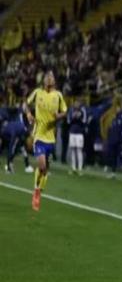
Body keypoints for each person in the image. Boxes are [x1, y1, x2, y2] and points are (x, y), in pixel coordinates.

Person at [24, 71, 67, 212]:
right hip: (39, 136)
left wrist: (58, 116)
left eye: (51, 77)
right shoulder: (37, 93)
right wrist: (28, 114)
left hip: (51, 139)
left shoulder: (58, 95)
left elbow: (65, 111)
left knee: (46, 169)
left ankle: (39, 189)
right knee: (42, 165)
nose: (49, 79)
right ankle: (36, 191)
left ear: (54, 81)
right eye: (47, 77)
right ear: (43, 81)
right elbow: (25, 104)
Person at [1, 108, 33, 174]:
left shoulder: (21, 126)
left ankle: (11, 165)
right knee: (12, 149)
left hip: (14, 132)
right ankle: (9, 167)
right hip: (12, 133)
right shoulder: (16, 130)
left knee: (19, 148)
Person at [67, 100, 87, 175]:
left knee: (79, 150)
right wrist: (74, 117)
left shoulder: (82, 110)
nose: (76, 104)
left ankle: (80, 169)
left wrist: (79, 117)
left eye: (78, 103)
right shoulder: (71, 110)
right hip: (72, 132)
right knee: (73, 150)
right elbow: (68, 121)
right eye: (75, 103)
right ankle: (74, 168)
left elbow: (84, 121)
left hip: (79, 133)